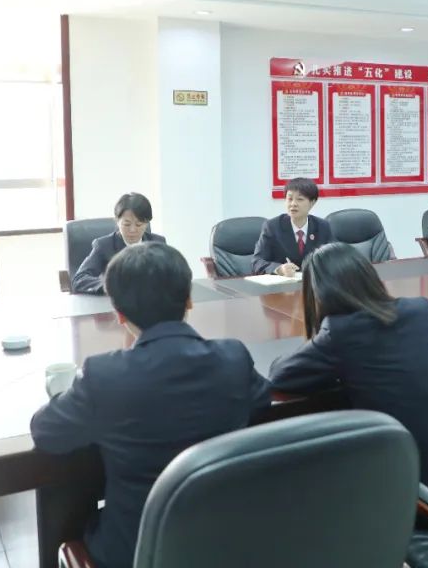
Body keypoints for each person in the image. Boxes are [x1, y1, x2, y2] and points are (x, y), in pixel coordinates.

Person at [31, 243, 271, 568]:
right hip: (224, 544)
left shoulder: (104, 376)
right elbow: (262, 402)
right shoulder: (233, 358)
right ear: (189, 300)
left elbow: (45, 432)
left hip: (138, 552)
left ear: (119, 314)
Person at [268, 243, 428, 510]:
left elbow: (280, 375)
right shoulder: (421, 309)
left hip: (398, 494)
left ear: (319, 294)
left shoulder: (340, 332)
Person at [72, 192, 166, 294]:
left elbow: (170, 276)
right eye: (127, 224)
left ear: (147, 223)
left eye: (139, 224)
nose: (133, 230)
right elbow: (79, 279)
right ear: (117, 221)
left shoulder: (157, 243)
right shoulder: (104, 246)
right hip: (116, 301)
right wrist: (112, 285)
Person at [252, 178, 333, 276]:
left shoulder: (322, 226)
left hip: (314, 282)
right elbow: (257, 262)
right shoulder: (272, 227)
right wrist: (279, 269)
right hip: (284, 283)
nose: (293, 204)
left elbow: (335, 257)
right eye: (290, 199)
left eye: (300, 199)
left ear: (312, 203)